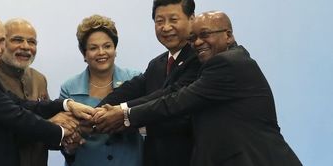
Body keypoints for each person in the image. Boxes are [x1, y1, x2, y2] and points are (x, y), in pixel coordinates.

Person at [104, 11, 302, 166]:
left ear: (228, 35)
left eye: (205, 35)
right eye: (193, 38)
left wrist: (125, 115)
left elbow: (177, 101)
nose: (198, 43)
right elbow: (172, 97)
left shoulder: (227, 63)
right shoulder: (222, 62)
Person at [0, 12, 94, 166]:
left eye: (1, 41)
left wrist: (66, 105)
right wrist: (60, 130)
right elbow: (17, 117)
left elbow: (21, 104)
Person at [96, 0, 201, 166]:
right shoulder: (157, 64)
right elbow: (131, 89)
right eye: (159, 21)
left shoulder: (200, 59)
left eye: (173, 20)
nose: (166, 27)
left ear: (192, 19)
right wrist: (96, 113)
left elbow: (172, 102)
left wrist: (125, 118)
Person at [59, 14, 143, 166]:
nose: (101, 52)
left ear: (115, 49)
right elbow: (66, 140)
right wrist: (70, 145)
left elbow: (146, 122)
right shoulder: (69, 88)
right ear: (84, 54)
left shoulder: (135, 79)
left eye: (107, 46)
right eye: (93, 48)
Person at [0, 18, 76, 166]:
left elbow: (48, 137)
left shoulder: (39, 79)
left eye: (32, 42)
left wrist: (69, 140)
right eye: (17, 40)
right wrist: (50, 125)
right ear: (1, 43)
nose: (26, 47)